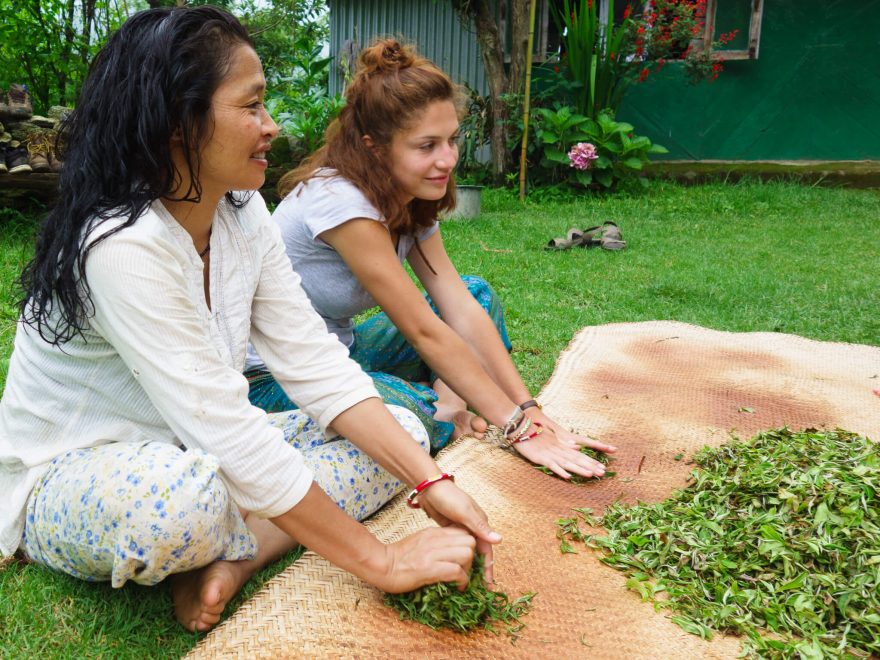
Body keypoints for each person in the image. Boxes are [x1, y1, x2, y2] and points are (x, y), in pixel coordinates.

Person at [0, 8, 500, 634]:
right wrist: (384, 561)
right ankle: (237, 527)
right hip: (82, 474)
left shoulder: (241, 210)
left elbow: (313, 362)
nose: (272, 126)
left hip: (197, 448)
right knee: (183, 504)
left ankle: (241, 550)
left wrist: (431, 482)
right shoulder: (121, 244)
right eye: (252, 106)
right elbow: (226, 428)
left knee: (401, 427)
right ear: (180, 121)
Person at [245, 39, 617, 478]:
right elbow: (421, 328)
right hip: (273, 380)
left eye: (452, 140)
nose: (447, 159)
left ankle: (447, 406)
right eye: (426, 146)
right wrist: (517, 429)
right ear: (374, 147)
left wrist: (529, 411)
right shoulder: (339, 202)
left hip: (342, 353)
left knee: (477, 294)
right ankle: (440, 410)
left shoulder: (409, 193)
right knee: (405, 413)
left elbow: (456, 301)